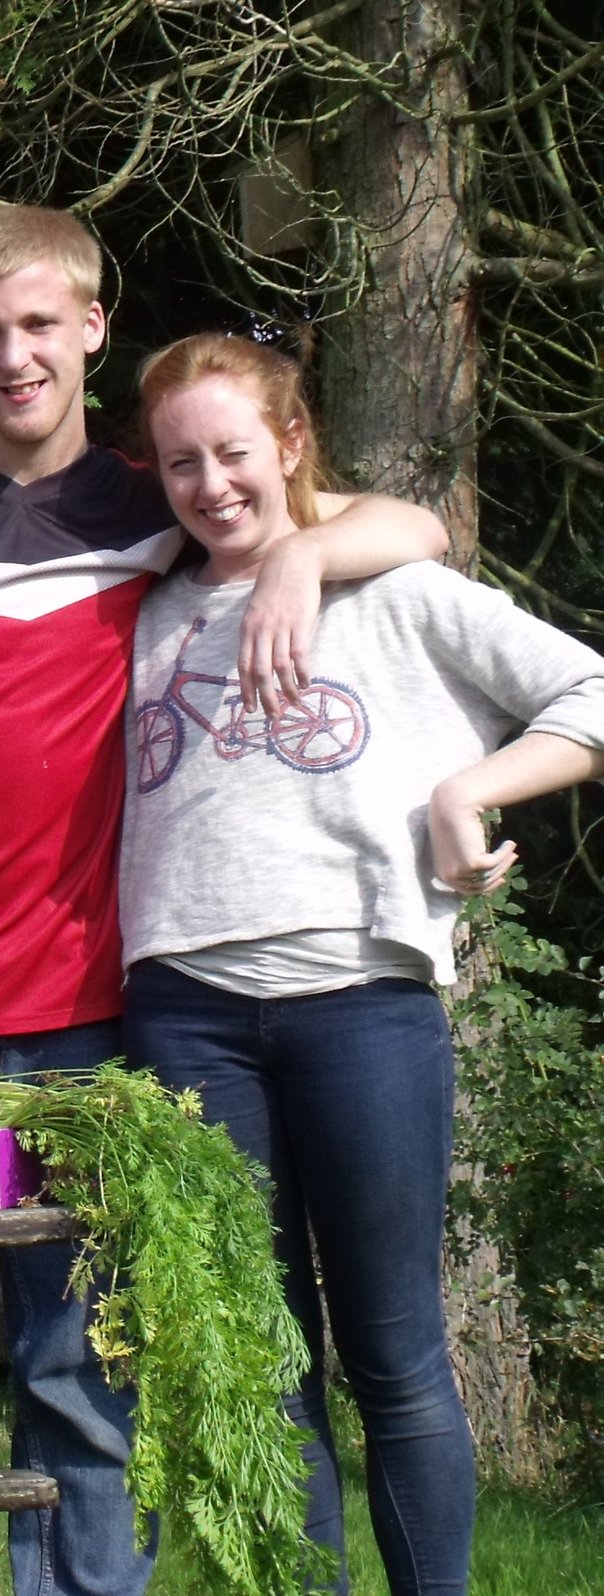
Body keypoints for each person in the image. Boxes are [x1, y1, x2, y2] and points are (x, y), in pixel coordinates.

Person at [0, 205, 449, 1596]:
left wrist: (305, 560)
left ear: (91, 325)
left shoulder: (155, 498)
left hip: (80, 1007)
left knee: (80, 1367)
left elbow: (411, 519)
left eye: (38, 325)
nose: (12, 356)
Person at [120, 333, 604, 1596]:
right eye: (181, 463)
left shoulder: (393, 594)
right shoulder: (146, 604)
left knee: (395, 1356)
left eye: (234, 453)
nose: (211, 485)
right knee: (260, 1362)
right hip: (184, 1015)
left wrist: (471, 789)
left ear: (289, 444)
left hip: (362, 1007)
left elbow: (585, 695)